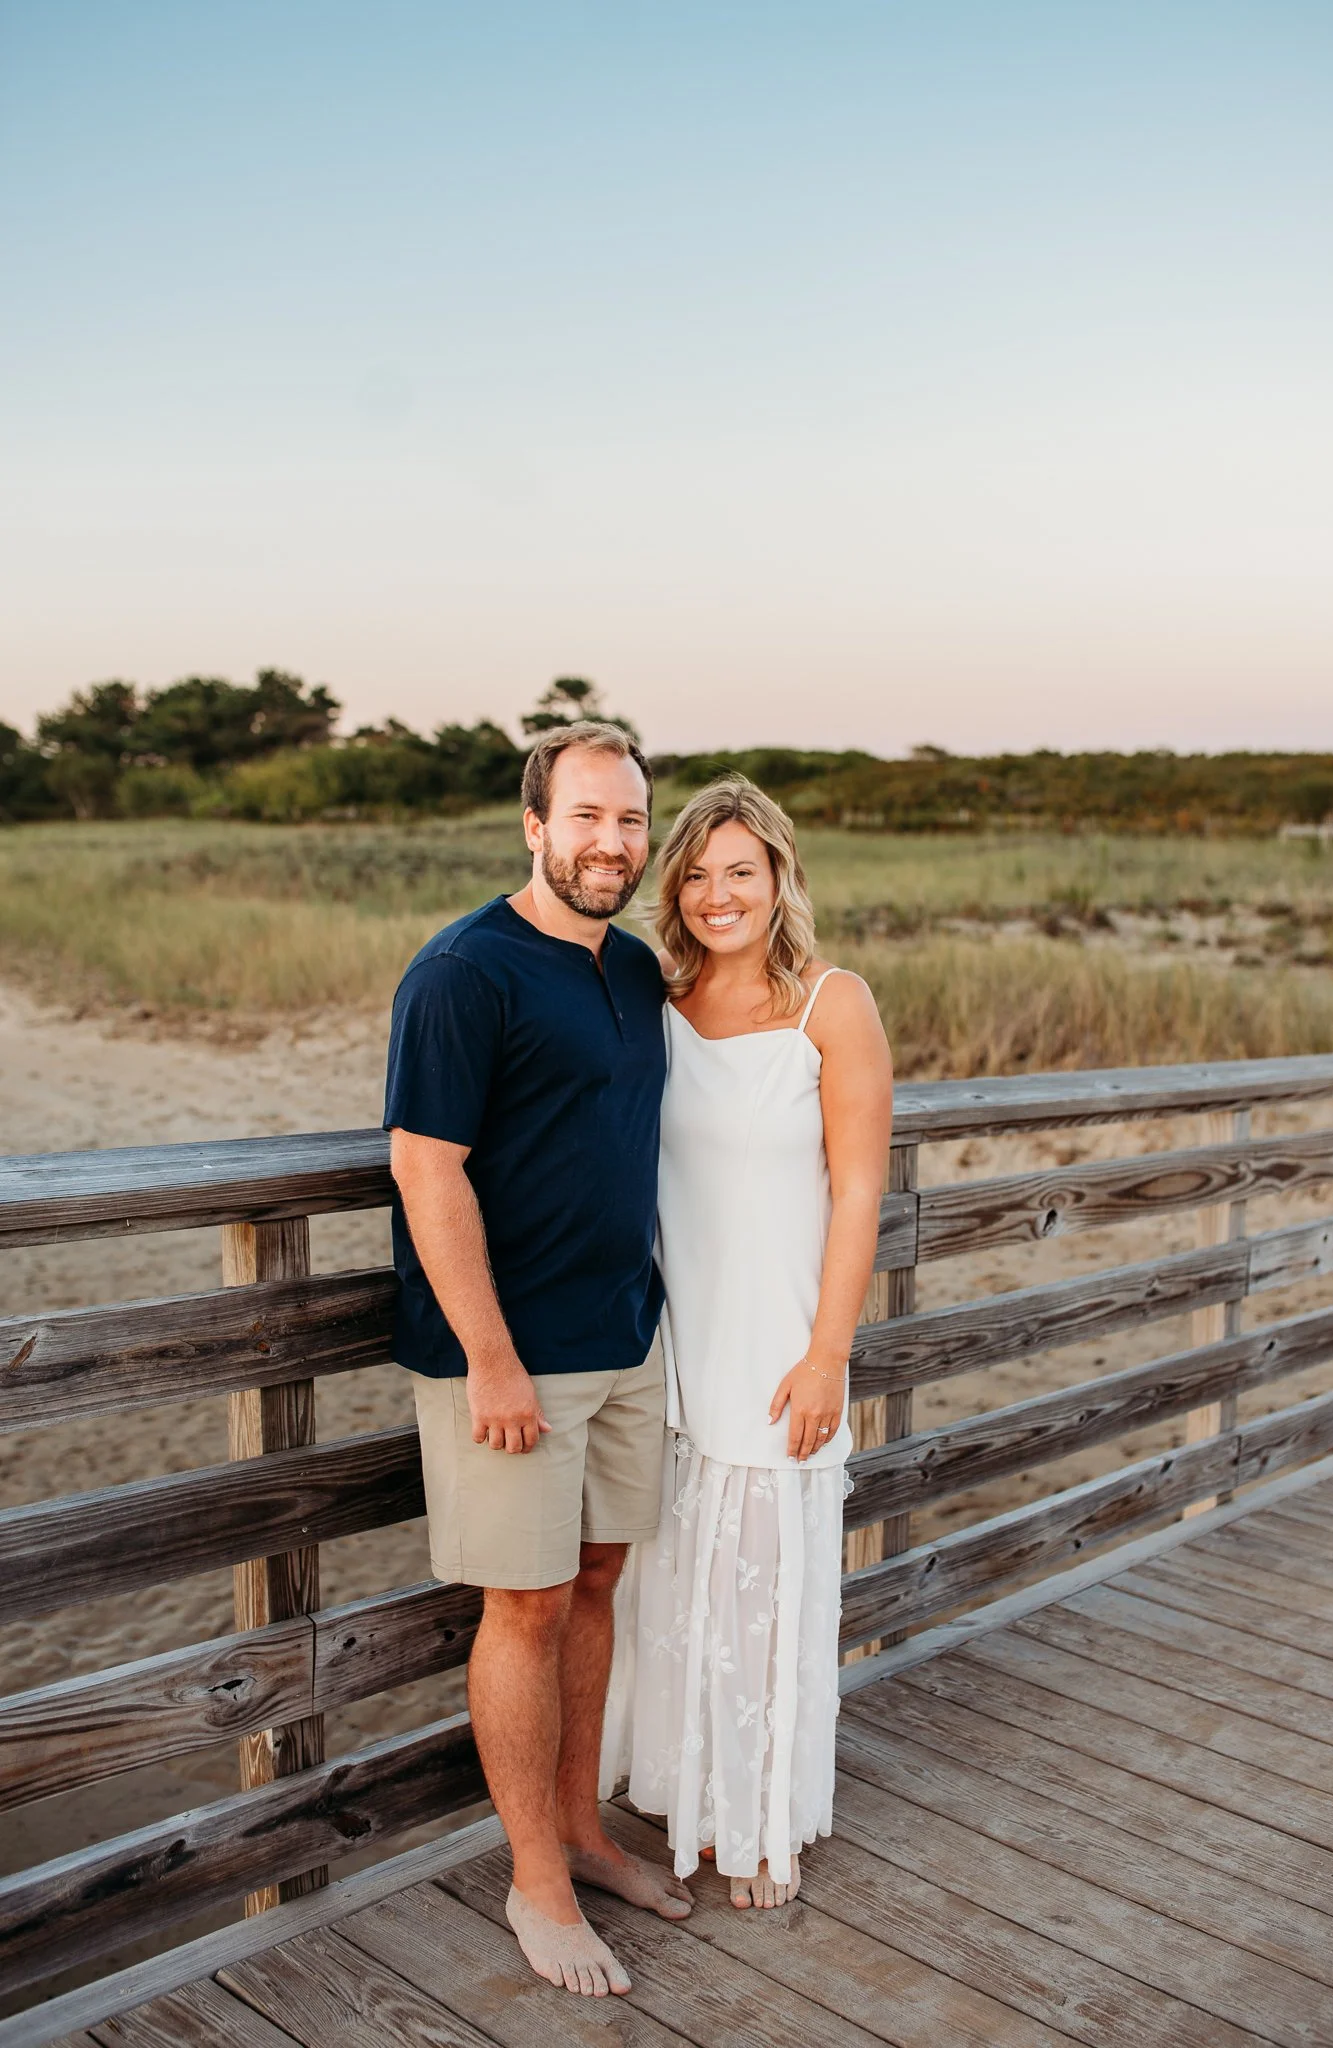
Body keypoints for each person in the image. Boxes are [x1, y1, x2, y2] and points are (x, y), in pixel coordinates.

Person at [385, 721, 693, 2001]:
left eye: (629, 821)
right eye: (586, 818)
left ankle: (582, 1828)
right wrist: (491, 1359)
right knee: (521, 1601)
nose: (611, 843)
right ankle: (535, 1880)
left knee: (600, 1577)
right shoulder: (464, 970)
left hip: (626, 1334)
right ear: (534, 825)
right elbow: (425, 1164)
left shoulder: (632, 969)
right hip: (508, 1359)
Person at [618, 775, 893, 1909]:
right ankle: (693, 1795)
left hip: (784, 1346)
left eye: (742, 870)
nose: (719, 892)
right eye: (696, 872)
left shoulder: (835, 1003)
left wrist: (830, 1352)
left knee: (769, 1591)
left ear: (780, 877)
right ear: (674, 891)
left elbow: (861, 1190)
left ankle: (766, 1818)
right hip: (676, 1349)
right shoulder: (655, 1001)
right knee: (678, 1584)